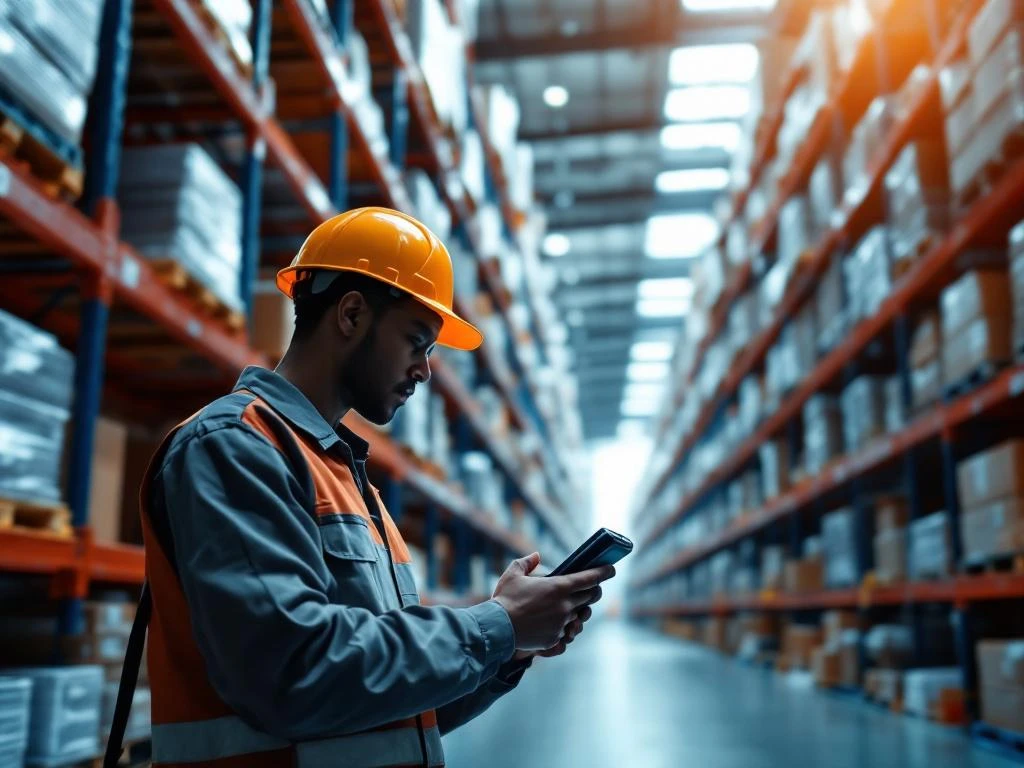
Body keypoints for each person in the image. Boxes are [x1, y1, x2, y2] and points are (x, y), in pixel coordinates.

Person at [135, 207, 615, 768]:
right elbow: (293, 674)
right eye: (417, 341)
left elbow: (397, 701)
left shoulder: (348, 480)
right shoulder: (234, 447)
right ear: (352, 314)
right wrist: (497, 625)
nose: (425, 370)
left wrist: (509, 647)